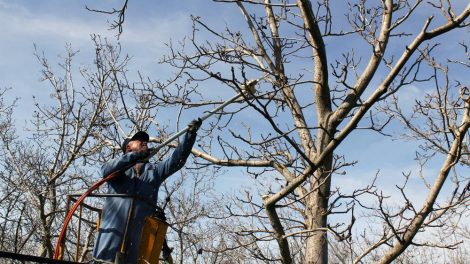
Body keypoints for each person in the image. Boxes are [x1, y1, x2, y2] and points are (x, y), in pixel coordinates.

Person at [92, 119, 202, 263]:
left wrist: (190, 134)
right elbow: (105, 171)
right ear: (128, 148)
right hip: (112, 233)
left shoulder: (155, 171)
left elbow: (177, 160)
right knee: (103, 261)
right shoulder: (117, 168)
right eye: (139, 140)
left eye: (146, 141)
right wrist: (135, 156)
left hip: (138, 239)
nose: (145, 142)